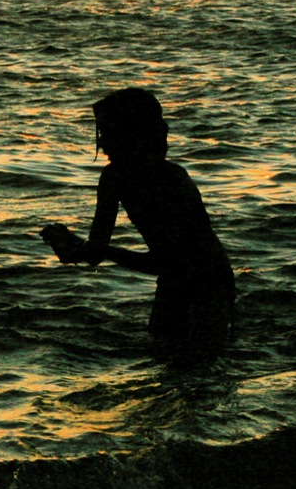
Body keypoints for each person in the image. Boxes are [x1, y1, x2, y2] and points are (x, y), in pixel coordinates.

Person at [43, 88, 235, 353]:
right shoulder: (118, 179)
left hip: (206, 280)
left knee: (189, 357)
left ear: (132, 134)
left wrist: (93, 250)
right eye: (100, 134)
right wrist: (75, 248)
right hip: (188, 277)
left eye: (108, 133)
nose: (103, 144)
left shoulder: (168, 181)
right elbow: (97, 253)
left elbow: (170, 260)